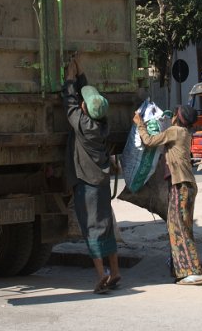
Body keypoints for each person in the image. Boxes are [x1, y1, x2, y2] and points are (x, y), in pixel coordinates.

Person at [61, 55, 120, 294]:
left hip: (87, 184)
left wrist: (68, 79)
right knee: (105, 226)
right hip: (102, 183)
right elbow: (88, 100)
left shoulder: (83, 126)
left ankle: (101, 275)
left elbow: (70, 103)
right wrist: (81, 73)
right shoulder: (102, 124)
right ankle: (115, 271)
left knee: (92, 229)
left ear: (84, 109)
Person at [132, 104, 202, 285]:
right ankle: (182, 269)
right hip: (185, 185)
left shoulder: (176, 131)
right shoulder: (184, 132)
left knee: (178, 228)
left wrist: (140, 124)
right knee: (182, 227)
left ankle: (193, 272)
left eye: (174, 114)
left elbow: (149, 141)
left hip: (181, 186)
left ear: (178, 119)